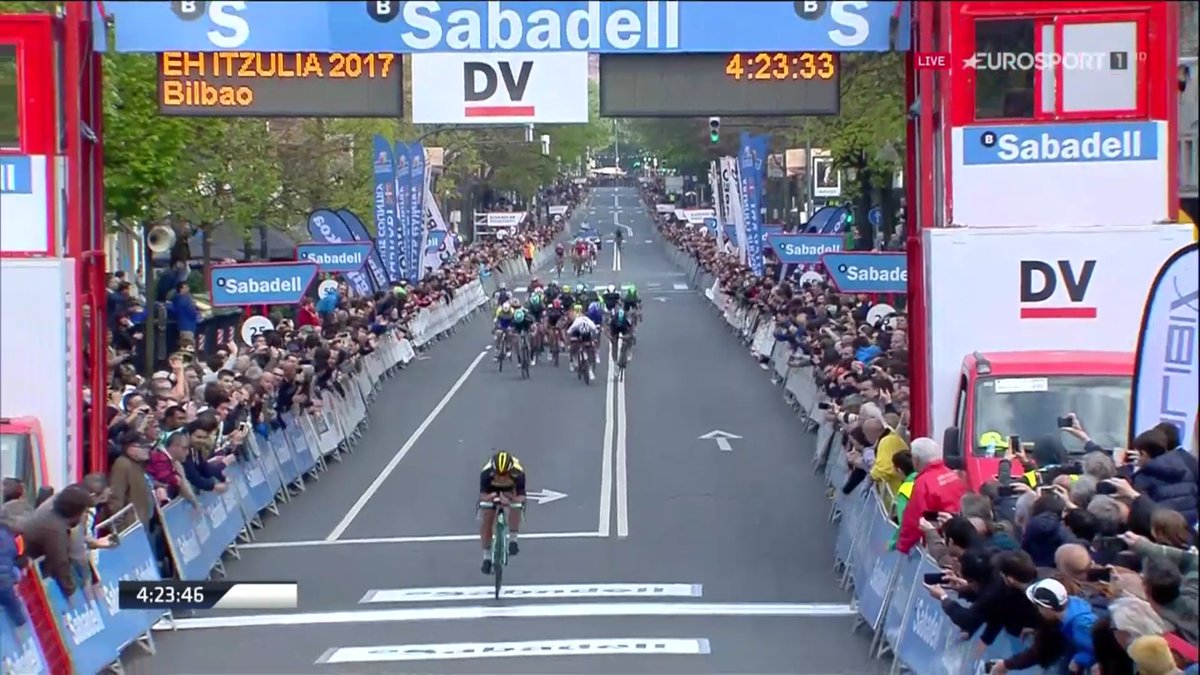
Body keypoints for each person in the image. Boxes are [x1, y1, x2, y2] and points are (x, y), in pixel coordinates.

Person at [895, 437, 967, 554]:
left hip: (937, 544)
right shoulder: (952, 474)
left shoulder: (923, 483)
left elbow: (913, 519)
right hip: (958, 538)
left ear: (916, 460)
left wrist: (902, 546)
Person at [478, 450, 526, 575]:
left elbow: (522, 496)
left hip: (511, 490)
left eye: (504, 475)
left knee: (516, 507)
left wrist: (511, 500)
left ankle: (513, 540)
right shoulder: (486, 473)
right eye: (498, 475)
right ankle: (487, 557)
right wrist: (491, 497)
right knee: (487, 517)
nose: (501, 477)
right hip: (491, 490)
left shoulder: (518, 473)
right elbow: (483, 495)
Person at [566, 308, 600, 379]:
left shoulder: (591, 324)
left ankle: (590, 370)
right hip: (577, 333)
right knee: (574, 345)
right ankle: (572, 360)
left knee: (590, 348)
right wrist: (569, 343)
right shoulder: (576, 323)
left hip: (587, 335)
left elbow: (596, 333)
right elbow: (569, 332)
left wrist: (594, 342)